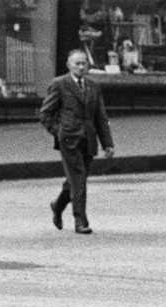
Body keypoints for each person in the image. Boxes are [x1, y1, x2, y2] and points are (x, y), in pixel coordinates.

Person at [39, 48, 115, 235]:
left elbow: (100, 116)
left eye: (84, 64)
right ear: (68, 65)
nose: (81, 67)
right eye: (77, 64)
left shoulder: (93, 86)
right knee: (79, 178)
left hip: (88, 140)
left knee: (75, 180)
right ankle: (80, 220)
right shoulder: (60, 84)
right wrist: (58, 132)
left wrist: (107, 143)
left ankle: (58, 205)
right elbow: (45, 113)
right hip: (69, 140)